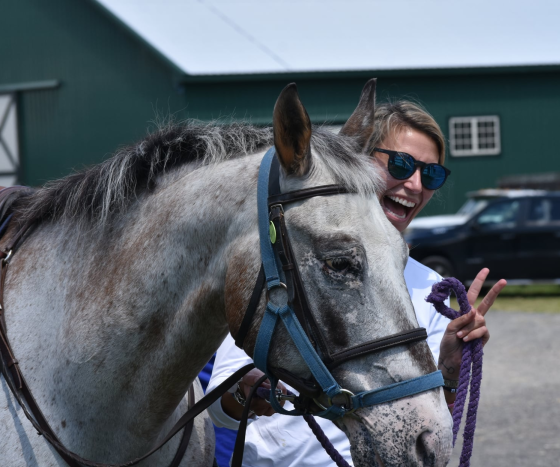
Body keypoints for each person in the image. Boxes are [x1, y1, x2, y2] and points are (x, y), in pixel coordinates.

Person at [206, 100, 506, 466]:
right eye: (400, 164)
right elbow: (222, 410)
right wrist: (254, 389)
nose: (414, 184)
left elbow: (425, 432)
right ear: (357, 160)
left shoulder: (432, 290)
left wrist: (450, 370)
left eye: (431, 175)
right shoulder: (289, 264)